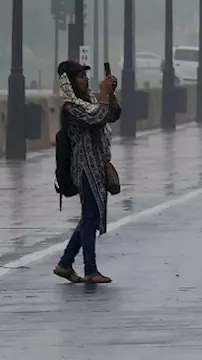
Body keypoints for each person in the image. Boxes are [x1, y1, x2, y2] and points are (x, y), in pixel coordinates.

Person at [54, 60, 121, 285]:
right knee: (90, 216)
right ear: (71, 82)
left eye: (85, 76)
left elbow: (111, 115)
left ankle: (65, 263)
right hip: (84, 168)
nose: (85, 80)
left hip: (98, 165)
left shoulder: (91, 101)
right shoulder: (71, 108)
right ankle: (90, 269)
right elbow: (96, 118)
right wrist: (103, 94)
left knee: (89, 217)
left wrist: (110, 94)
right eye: (80, 77)